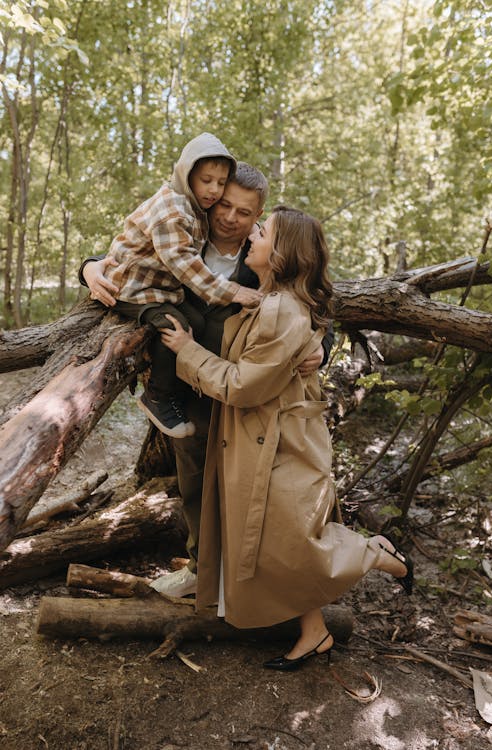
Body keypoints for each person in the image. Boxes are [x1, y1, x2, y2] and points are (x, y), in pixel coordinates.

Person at [161, 205, 414, 670]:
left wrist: (187, 351)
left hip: (279, 441)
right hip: (258, 436)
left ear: (281, 253)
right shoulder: (263, 291)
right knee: (272, 540)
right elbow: (151, 252)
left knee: (289, 541)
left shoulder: (279, 307)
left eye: (263, 229)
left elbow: (241, 385)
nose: (251, 232)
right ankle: (314, 633)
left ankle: (372, 554)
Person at [80, 164, 333, 598]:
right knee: (194, 478)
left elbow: (316, 299)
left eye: (245, 212)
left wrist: (320, 347)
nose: (231, 217)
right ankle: (201, 568)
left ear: (259, 217)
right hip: (189, 387)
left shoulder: (266, 257)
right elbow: (125, 255)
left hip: (245, 390)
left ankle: (254, 581)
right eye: (225, 204)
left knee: (250, 489)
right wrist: (87, 268)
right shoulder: (183, 230)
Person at [99, 133, 261, 439]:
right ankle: (157, 396)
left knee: (196, 321)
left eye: (221, 182)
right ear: (186, 175)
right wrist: (233, 291)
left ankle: (174, 388)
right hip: (133, 289)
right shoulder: (172, 210)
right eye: (206, 180)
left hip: (160, 289)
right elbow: (184, 264)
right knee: (176, 325)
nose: (213, 190)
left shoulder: (196, 208)